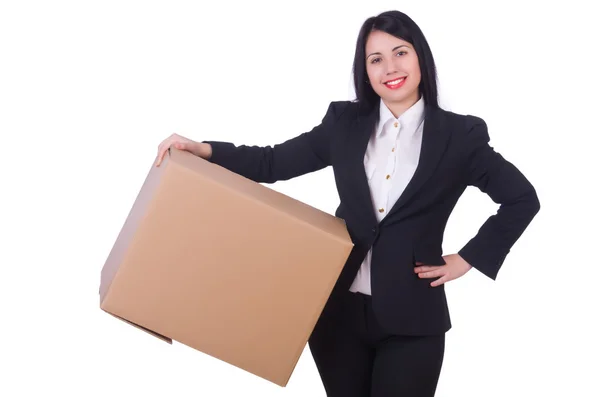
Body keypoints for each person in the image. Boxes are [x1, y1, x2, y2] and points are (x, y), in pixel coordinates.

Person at [155, 10, 540, 397]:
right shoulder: (345, 123)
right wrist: (202, 149)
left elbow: (522, 199)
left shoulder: (460, 136)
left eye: (400, 53)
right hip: (336, 315)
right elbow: (272, 162)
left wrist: (466, 259)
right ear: (366, 71)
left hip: (412, 320)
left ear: (420, 56)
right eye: (376, 59)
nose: (390, 67)